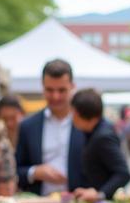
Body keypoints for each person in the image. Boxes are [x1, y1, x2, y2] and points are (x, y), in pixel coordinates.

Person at [16, 59, 86, 195]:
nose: (55, 96)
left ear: (73, 87)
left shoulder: (86, 124)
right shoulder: (28, 126)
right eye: (50, 90)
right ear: (42, 88)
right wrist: (35, 172)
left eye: (62, 90)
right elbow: (16, 170)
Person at [68, 89, 130, 202]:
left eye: (73, 113)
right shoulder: (93, 131)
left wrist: (100, 194)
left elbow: (123, 173)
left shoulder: (103, 137)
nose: (72, 118)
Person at [0, 94, 23, 196]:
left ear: (21, 114)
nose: (9, 123)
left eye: (13, 118)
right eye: (4, 118)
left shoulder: (28, 134)